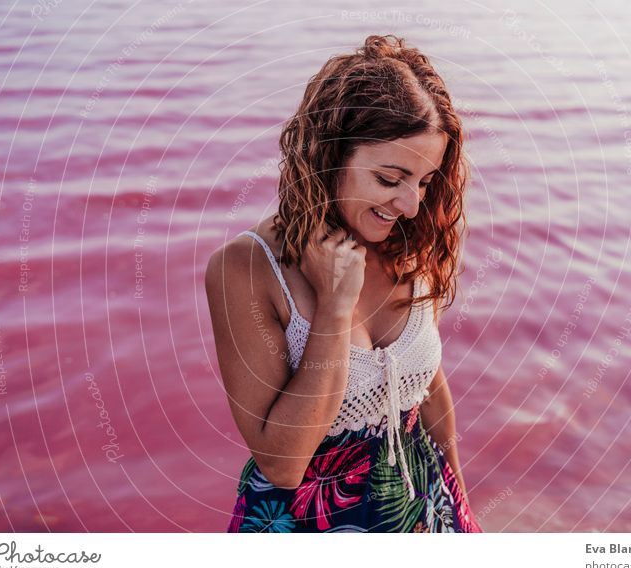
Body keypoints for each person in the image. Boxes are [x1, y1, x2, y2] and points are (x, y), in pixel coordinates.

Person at [205, 34, 482, 533]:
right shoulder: (247, 269)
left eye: (423, 181)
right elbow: (282, 464)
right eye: (390, 178)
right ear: (328, 155)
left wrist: (459, 506)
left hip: (421, 502)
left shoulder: (412, 239)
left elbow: (428, 386)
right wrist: (334, 308)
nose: (411, 205)